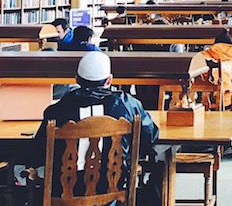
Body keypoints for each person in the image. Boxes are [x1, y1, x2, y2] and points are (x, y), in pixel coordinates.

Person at [33, 52, 161, 205]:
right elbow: (149, 137)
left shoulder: (58, 110)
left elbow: (40, 149)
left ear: (77, 79)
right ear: (109, 80)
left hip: (64, 193)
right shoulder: (128, 105)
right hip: (113, 190)